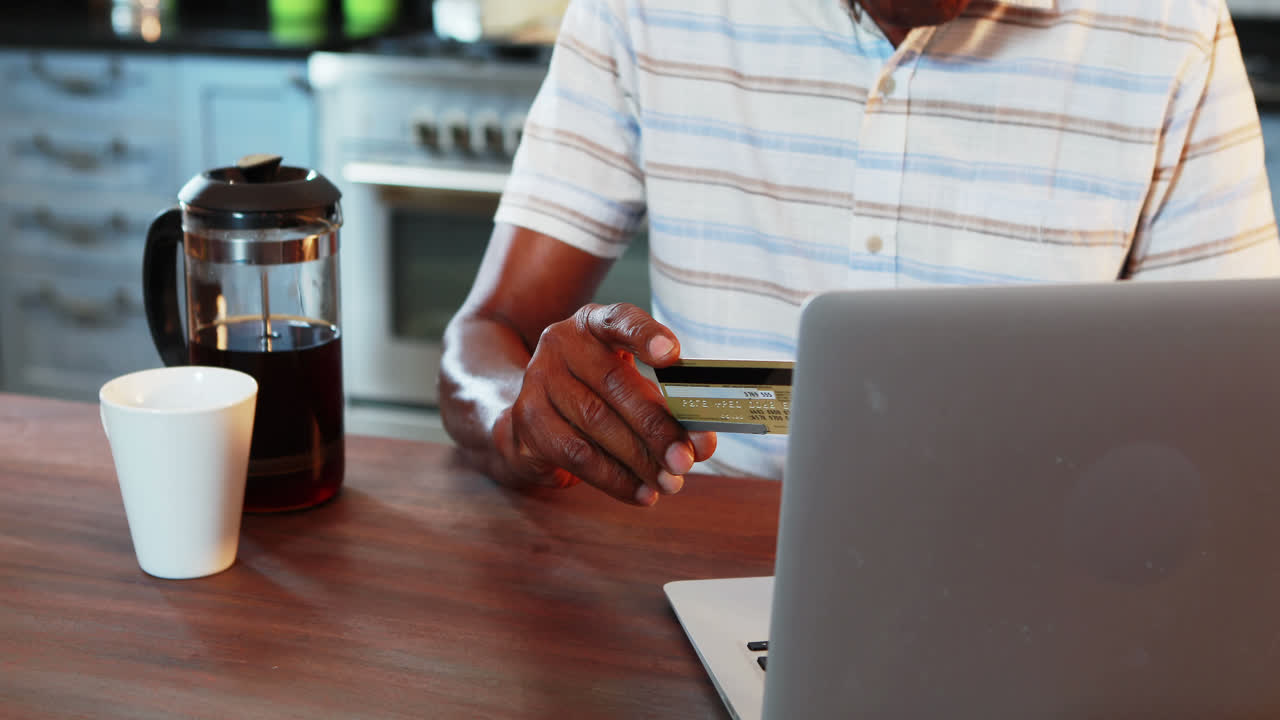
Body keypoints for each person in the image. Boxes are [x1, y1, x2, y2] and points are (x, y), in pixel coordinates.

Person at [439, 0, 1280, 507]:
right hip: (699, 571)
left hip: (1043, 577)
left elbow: (1237, 425)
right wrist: (522, 419)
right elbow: (488, 335)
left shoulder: (1170, 25)